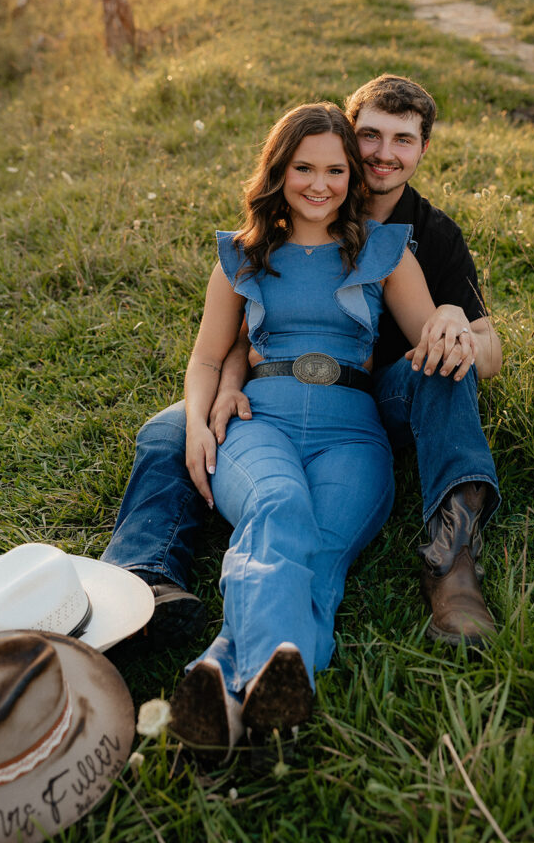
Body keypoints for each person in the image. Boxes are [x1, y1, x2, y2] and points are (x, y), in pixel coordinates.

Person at [102, 74, 501, 650]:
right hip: (278, 387)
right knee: (169, 430)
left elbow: (489, 347)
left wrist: (455, 324)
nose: (384, 155)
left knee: (447, 367)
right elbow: (240, 332)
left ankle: (453, 557)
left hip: (380, 394)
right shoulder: (285, 220)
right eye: (369, 136)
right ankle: (146, 573)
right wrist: (228, 384)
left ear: (422, 149)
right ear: (343, 136)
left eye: (403, 140)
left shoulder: (431, 237)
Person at [165, 101, 473, 756]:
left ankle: (220, 679)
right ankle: (283, 678)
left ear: (351, 177)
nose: (318, 183)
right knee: (278, 511)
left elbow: (430, 342)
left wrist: (452, 314)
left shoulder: (385, 252)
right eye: (302, 167)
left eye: (335, 169)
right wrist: (197, 421)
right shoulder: (242, 255)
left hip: (352, 434)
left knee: (322, 554)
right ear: (278, 170)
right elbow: (204, 356)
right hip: (259, 423)